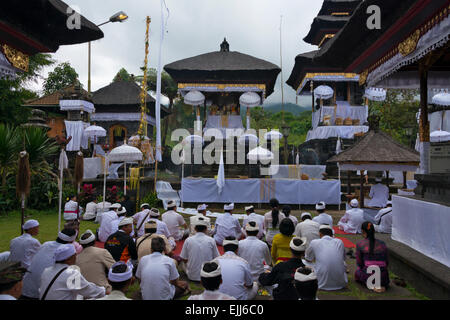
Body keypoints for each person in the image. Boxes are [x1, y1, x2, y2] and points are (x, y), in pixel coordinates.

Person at [21, 228, 77, 300]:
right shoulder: (65, 252)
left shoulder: (46, 244)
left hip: (24, 287)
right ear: (72, 240)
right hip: (40, 294)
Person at [39, 244, 105, 300]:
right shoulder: (71, 274)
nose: (76, 257)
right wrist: (104, 291)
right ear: (68, 259)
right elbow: (90, 291)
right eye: (74, 255)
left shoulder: (46, 271)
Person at [305, 225, 347, 291]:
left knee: (304, 262)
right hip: (340, 284)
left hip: (321, 283)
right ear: (331, 234)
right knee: (343, 263)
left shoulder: (314, 242)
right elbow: (343, 258)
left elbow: (308, 259)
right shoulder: (339, 242)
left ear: (320, 233)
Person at [180, 217, 220, 282]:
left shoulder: (188, 240)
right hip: (208, 274)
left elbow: (184, 258)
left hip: (192, 276)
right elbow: (216, 257)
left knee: (182, 262)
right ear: (206, 229)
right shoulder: (211, 240)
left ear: (195, 229)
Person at [76, 230, 116, 294]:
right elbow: (116, 269)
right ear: (95, 242)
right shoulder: (102, 252)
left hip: (82, 293)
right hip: (103, 291)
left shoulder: (76, 258)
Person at [355, 222, 390, 292]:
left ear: (362, 231)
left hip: (367, 277)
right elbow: (387, 262)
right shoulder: (382, 244)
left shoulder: (360, 244)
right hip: (383, 278)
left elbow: (359, 263)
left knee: (357, 272)